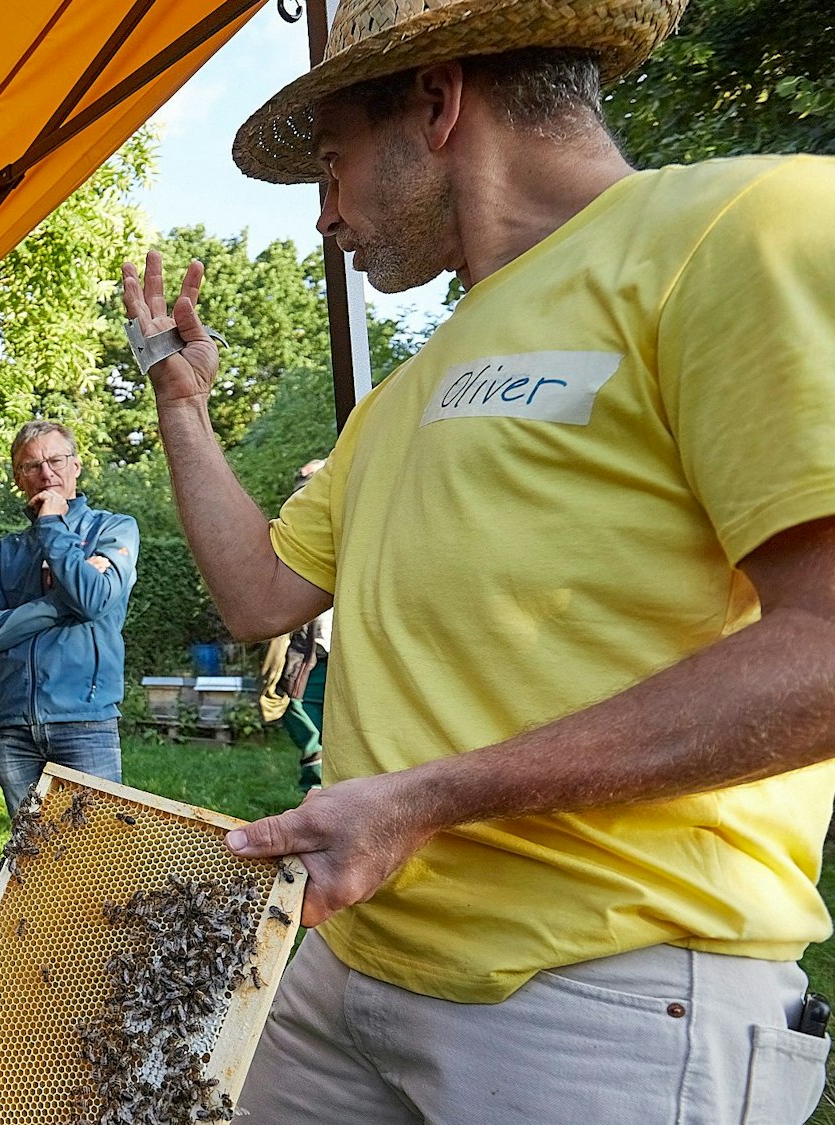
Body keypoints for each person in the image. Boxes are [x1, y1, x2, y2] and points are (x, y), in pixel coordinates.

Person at [126, 0, 835, 1116]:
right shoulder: (412, 381)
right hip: (347, 964)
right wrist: (178, 400)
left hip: (611, 1003)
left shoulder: (746, 222)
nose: (327, 217)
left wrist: (434, 799)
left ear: (437, 101)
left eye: (330, 165)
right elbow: (258, 593)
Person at [0, 421, 139, 816]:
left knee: (96, 857)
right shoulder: (5, 551)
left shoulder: (113, 529)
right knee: (34, 861)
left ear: (76, 465)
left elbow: (93, 599)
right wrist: (60, 603)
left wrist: (51, 524)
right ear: (18, 478)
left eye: (56, 460)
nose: (46, 473)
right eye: (32, 466)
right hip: (15, 730)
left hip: (85, 724)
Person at [256, 459, 330, 793]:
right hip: (309, 647)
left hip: (343, 649)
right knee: (295, 704)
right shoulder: (294, 536)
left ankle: (323, 783)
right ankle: (314, 784)